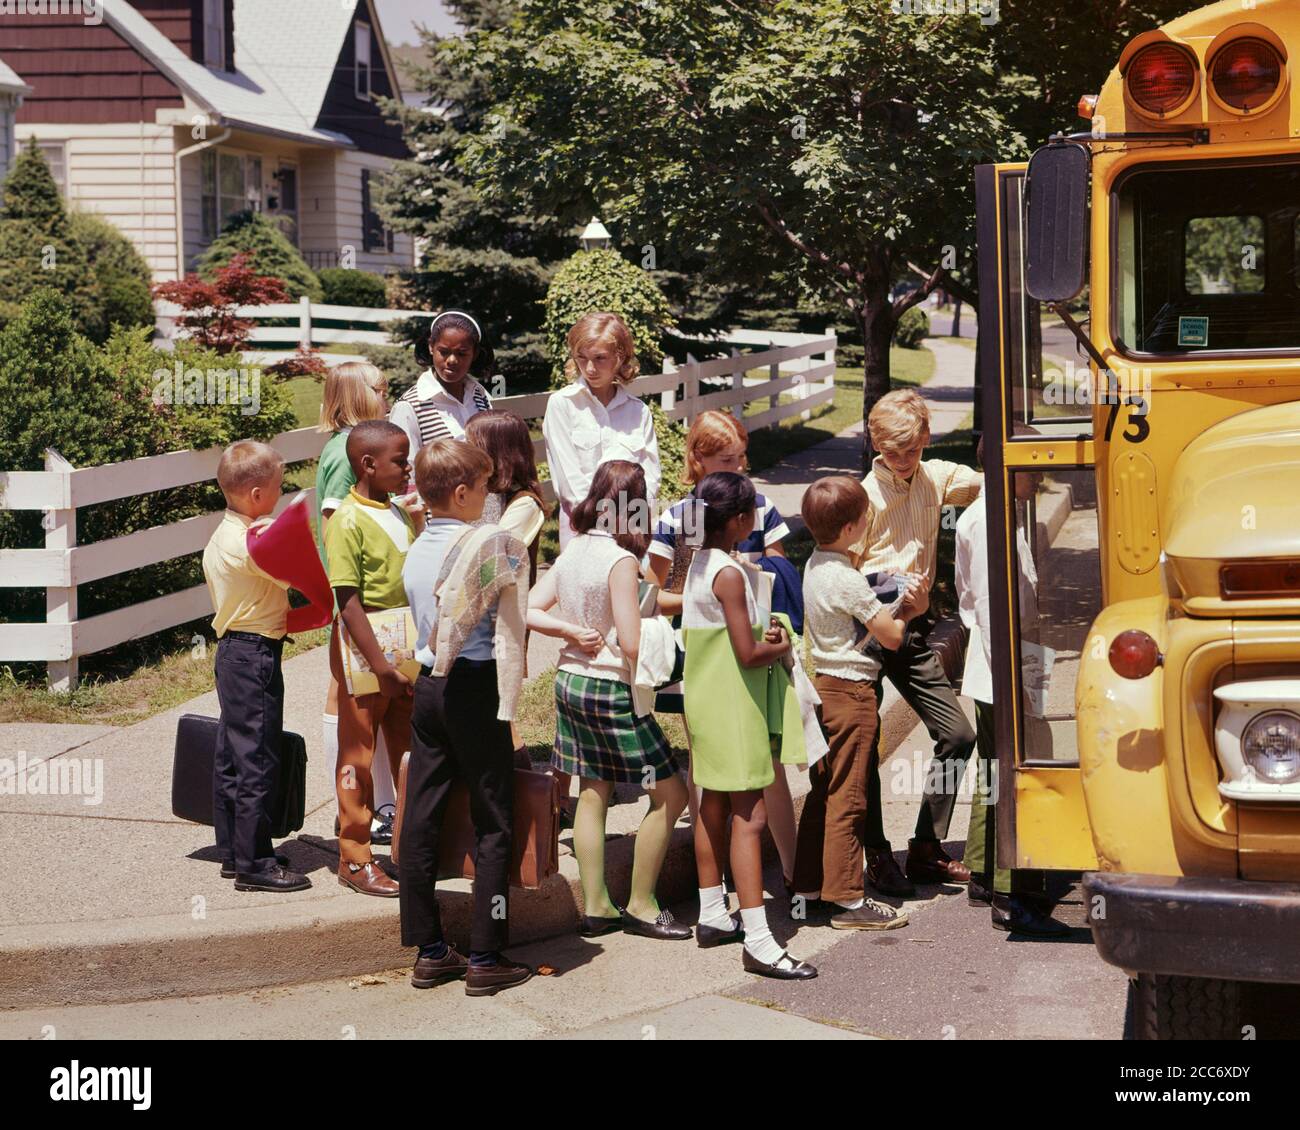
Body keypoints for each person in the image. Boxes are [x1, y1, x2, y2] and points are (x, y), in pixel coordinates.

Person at [528, 460, 691, 941]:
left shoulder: (575, 549)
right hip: (612, 687)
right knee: (671, 794)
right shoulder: (621, 561)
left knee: (593, 790)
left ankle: (597, 904)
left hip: (570, 682)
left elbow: (531, 608)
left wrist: (571, 630)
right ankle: (642, 904)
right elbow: (632, 638)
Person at [399, 439, 538, 996]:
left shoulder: (416, 549)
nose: (488, 499)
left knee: (421, 814)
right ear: (461, 493)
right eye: (483, 490)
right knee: (493, 819)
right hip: (475, 686)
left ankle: (429, 948)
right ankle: (486, 952)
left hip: (428, 687)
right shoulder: (485, 546)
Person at [647, 409, 800, 893]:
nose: (736, 468)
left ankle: (797, 873)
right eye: (723, 460)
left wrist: (751, 590)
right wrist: (712, 591)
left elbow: (783, 572)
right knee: (707, 768)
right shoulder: (676, 518)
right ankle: (716, 886)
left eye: (740, 458)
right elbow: (653, 594)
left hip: (754, 649)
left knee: (769, 766)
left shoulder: (759, 506)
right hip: (707, 656)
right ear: (697, 458)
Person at [685, 471, 816, 980]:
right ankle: (761, 942)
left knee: (712, 802)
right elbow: (747, 652)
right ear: (740, 521)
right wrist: (780, 644)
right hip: (735, 705)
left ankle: (712, 911)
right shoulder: (731, 575)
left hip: (704, 700)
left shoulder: (700, 564)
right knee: (751, 815)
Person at [851, 388, 982, 897]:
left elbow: (996, 478)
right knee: (866, 748)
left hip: (915, 631)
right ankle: (878, 856)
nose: (901, 461)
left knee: (959, 735)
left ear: (926, 439)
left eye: (911, 450)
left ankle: (927, 846)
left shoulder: (938, 477)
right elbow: (843, 569)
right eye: (890, 451)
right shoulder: (866, 496)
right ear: (874, 443)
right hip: (866, 634)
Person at [792, 476, 921, 930]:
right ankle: (848, 899)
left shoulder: (816, 565)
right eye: (866, 516)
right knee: (850, 797)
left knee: (823, 792)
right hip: (853, 693)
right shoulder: (847, 580)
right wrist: (910, 606)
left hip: (824, 687)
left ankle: (807, 888)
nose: (869, 521)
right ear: (850, 528)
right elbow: (890, 636)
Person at [955, 439, 1067, 936]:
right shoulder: (986, 523)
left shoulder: (1001, 514)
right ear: (1004, 471)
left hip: (1009, 656)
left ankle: (982, 868)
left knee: (994, 766)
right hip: (1001, 661)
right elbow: (988, 604)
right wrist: (1014, 674)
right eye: (1029, 472)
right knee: (1012, 769)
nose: (1037, 481)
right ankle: (1009, 887)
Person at [201, 440, 310, 893]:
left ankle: (232, 849)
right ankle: (255, 863)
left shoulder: (222, 534)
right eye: (278, 489)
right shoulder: (252, 544)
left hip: (232, 652)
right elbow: (296, 574)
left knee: (232, 754)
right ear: (257, 496)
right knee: (257, 760)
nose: (281, 497)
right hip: (255, 655)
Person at [322, 419, 418, 897]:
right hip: (367, 652)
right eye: (400, 460)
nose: (408, 467)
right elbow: (348, 600)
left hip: (405, 649)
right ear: (367, 464)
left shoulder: (398, 510)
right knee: (357, 755)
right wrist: (379, 665)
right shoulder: (347, 520)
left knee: (410, 749)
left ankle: (414, 846)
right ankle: (355, 857)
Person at [316, 361, 399, 846]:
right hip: (358, 600)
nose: (387, 393)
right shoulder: (347, 454)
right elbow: (335, 524)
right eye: (380, 389)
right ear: (355, 395)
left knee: (366, 701)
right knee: (351, 702)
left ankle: (378, 801)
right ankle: (351, 803)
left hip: (365, 599)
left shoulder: (351, 446)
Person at [466, 409, 549, 768]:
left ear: (497, 453)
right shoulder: (485, 495)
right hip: (475, 618)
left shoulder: (524, 504)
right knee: (485, 716)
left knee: (503, 715)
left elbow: (494, 558)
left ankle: (531, 798)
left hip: (501, 624)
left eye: (472, 446)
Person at [542, 312, 661, 551]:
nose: (589, 368)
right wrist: (600, 522)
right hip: (582, 526)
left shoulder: (638, 412)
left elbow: (650, 475)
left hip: (631, 527)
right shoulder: (563, 404)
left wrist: (632, 521)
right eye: (581, 358)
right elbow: (569, 479)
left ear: (620, 357)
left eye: (600, 358)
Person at [390, 310, 494, 456]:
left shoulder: (481, 398)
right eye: (444, 352)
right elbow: (407, 470)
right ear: (431, 347)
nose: (452, 360)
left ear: (475, 353)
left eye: (462, 353)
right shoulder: (410, 407)